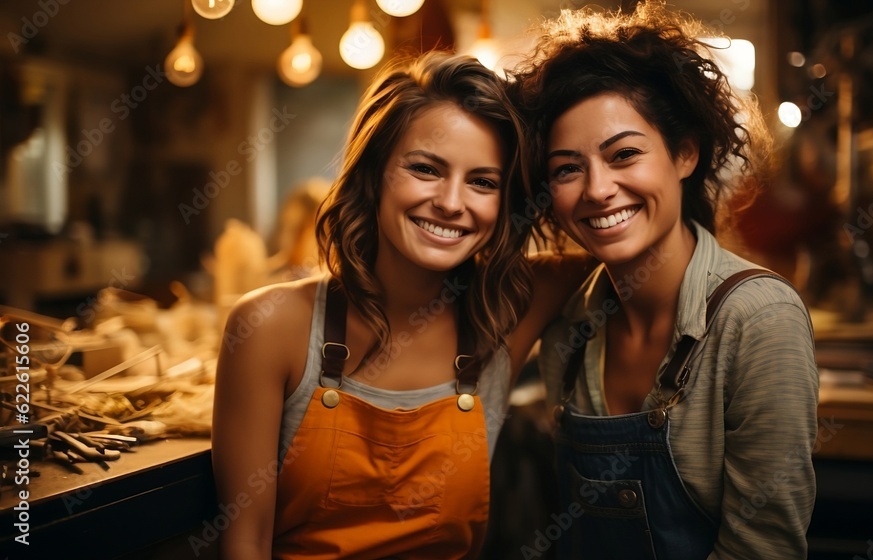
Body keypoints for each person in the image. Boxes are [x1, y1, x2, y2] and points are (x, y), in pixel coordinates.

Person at [212, 52, 591, 559]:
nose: (452, 202)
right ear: (375, 173)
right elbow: (245, 545)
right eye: (426, 169)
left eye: (482, 182)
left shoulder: (508, 311)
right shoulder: (269, 326)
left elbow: (627, 239)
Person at [512, 3, 819, 558]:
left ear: (684, 153)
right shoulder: (569, 330)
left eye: (624, 154)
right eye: (566, 168)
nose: (598, 189)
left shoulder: (758, 319)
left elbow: (764, 548)